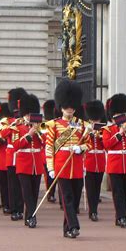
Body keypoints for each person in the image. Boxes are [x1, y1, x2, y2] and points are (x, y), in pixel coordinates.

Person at [46, 80, 89, 238]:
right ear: (61, 107)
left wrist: (81, 148)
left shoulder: (82, 125)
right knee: (67, 198)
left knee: (75, 199)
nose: (69, 109)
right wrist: (50, 168)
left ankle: (67, 229)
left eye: (71, 106)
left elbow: (88, 145)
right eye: (66, 106)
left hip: (76, 165)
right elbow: (49, 147)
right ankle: (74, 226)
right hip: (61, 165)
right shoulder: (54, 125)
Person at [103, 93, 126, 228]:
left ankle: (120, 216)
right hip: (115, 164)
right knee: (117, 193)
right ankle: (121, 217)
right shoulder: (108, 130)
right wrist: (119, 134)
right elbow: (107, 145)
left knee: (124, 193)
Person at [14, 93, 44, 229]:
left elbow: (45, 143)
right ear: (23, 114)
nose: (29, 117)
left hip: (36, 164)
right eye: (27, 114)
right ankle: (32, 217)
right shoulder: (18, 127)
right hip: (23, 164)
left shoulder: (40, 128)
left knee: (34, 193)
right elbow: (15, 145)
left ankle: (28, 217)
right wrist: (29, 134)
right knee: (27, 192)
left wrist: (38, 132)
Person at [0, 88, 27, 221]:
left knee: (22, 185)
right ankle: (13, 208)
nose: (17, 113)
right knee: (12, 185)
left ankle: (20, 209)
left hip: (23, 157)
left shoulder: (27, 121)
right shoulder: (7, 121)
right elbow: (2, 135)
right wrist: (13, 126)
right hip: (11, 156)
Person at [83, 100, 107, 222]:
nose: (96, 121)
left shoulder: (104, 128)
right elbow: (81, 142)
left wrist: (100, 137)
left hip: (100, 161)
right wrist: (89, 134)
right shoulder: (85, 127)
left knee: (97, 188)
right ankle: (93, 211)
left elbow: (107, 146)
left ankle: (95, 209)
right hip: (89, 161)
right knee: (90, 187)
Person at [42, 100, 57, 203]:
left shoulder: (56, 123)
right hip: (47, 152)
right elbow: (42, 138)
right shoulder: (43, 125)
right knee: (48, 174)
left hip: (56, 152)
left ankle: (51, 192)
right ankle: (50, 193)